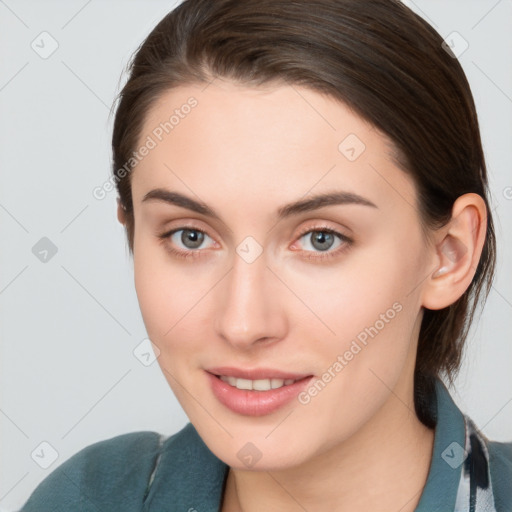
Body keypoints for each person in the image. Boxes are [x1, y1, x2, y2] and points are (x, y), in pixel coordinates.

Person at [20, 0, 511, 510]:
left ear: (449, 254)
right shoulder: (86, 498)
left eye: (322, 238)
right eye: (190, 236)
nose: (242, 323)